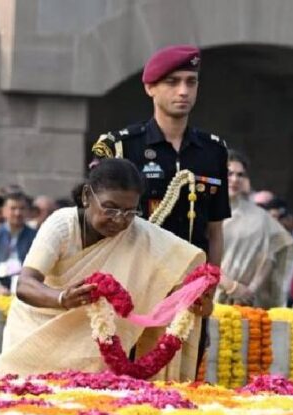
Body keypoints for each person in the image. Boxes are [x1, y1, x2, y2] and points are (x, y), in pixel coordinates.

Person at [0, 158, 211, 379]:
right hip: (35, 339)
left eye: (129, 212)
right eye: (110, 209)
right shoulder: (62, 225)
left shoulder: (140, 235)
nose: (119, 220)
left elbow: (181, 270)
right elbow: (26, 283)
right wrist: (62, 298)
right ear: (87, 196)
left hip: (92, 355)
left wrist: (194, 300)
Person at [90, 44, 229, 375]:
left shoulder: (213, 150)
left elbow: (215, 230)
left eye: (191, 82)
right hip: (134, 289)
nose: (183, 91)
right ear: (150, 87)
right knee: (124, 380)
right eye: (172, 82)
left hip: (188, 292)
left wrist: (209, 289)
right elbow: (97, 224)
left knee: (181, 385)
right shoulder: (120, 146)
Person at [215, 150, 293, 308]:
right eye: (229, 173)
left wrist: (249, 290)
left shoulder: (259, 216)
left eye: (240, 175)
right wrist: (230, 286)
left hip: (247, 302)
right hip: (210, 295)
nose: (235, 179)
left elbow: (276, 250)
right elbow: (198, 257)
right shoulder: (201, 211)